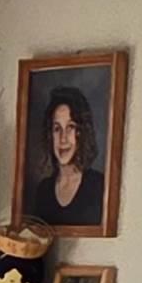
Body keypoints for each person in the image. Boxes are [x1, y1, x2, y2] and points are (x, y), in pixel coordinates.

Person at [23, 85, 108, 228]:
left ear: (81, 133)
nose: (63, 139)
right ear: (50, 135)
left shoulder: (99, 186)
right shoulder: (43, 191)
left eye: (70, 127)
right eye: (57, 129)